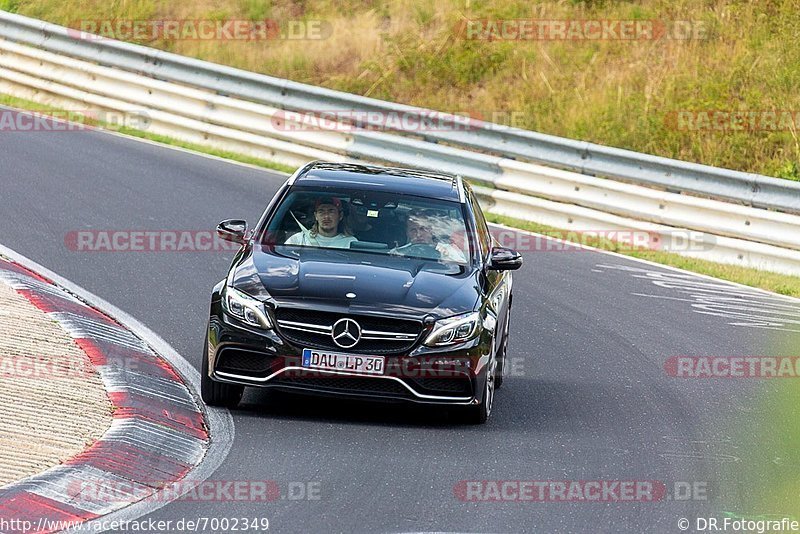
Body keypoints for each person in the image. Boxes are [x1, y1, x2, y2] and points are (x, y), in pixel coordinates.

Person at [390, 211, 467, 262]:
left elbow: (463, 271)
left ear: (431, 230)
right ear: (407, 233)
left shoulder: (448, 251)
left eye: (422, 229)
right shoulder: (398, 253)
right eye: (413, 230)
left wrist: (446, 259)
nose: (418, 234)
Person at [284, 197, 358, 249]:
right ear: (316, 216)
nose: (326, 216)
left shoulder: (351, 243)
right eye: (321, 211)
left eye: (331, 211)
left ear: (340, 216)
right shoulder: (299, 240)